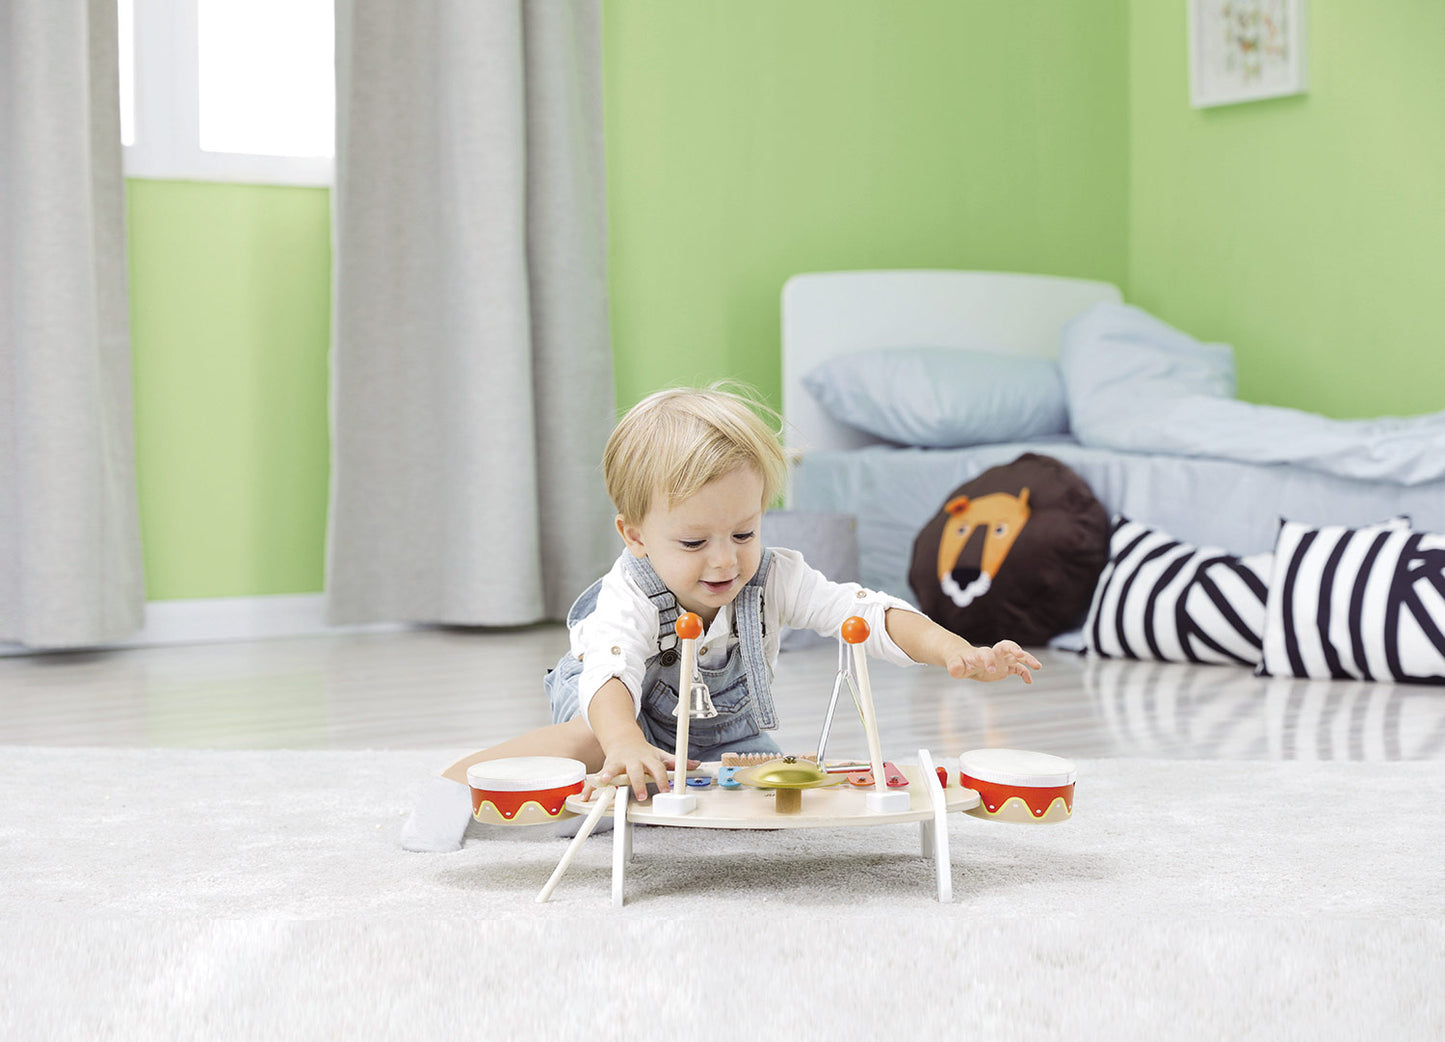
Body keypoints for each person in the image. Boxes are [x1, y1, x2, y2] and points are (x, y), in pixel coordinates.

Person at [401, 385, 1042, 852]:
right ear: (635, 535)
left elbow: (867, 613)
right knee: (591, 745)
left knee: (776, 794)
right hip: (616, 709)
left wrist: (956, 648)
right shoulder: (628, 593)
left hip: (717, 739)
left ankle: (625, 792)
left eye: (743, 531)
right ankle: (453, 788)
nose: (724, 560)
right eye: (693, 542)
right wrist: (626, 744)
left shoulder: (775, 575)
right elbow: (611, 671)